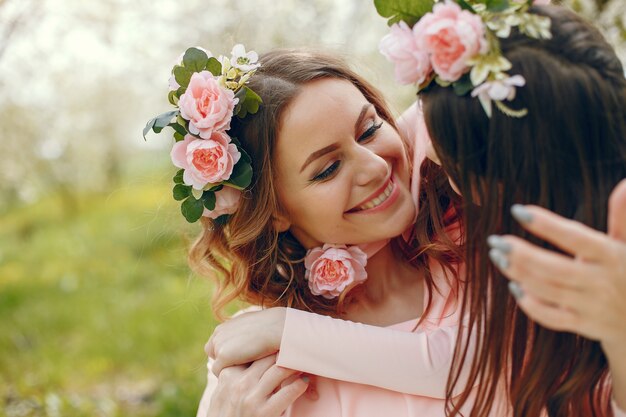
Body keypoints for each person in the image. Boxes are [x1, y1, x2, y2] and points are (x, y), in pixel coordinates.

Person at [205, 3, 626, 417]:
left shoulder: (484, 247)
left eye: (369, 128)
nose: (374, 165)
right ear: (273, 209)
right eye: (328, 168)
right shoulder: (255, 365)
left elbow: (476, 365)